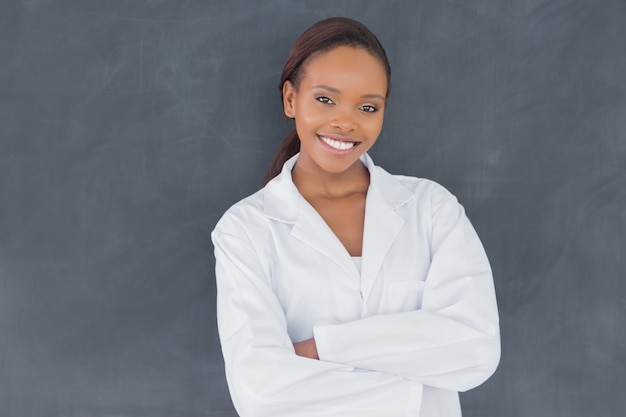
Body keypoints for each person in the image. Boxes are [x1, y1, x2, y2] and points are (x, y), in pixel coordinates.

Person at [211, 17, 500, 417]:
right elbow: (261, 392)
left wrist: (322, 348)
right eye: (325, 100)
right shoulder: (245, 230)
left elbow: (476, 350)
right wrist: (415, 385)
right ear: (290, 99)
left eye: (367, 107)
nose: (345, 122)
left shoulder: (432, 209)